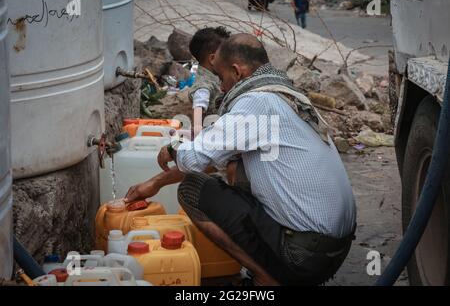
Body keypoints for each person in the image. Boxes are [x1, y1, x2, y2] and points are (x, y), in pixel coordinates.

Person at [125, 34, 356, 286]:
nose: (222, 88)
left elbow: (194, 158)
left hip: (304, 255)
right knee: (236, 166)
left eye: (222, 78)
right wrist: (157, 183)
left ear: (237, 71)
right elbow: (214, 158)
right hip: (335, 251)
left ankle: (266, 278)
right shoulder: (285, 95)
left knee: (193, 190)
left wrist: (173, 147)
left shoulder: (256, 102)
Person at [187, 27, 231, 136]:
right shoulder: (204, 86)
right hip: (212, 136)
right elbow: (198, 108)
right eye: (227, 56)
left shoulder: (215, 76)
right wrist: (198, 136)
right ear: (212, 59)